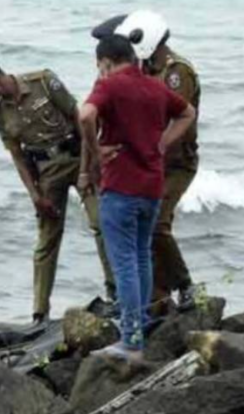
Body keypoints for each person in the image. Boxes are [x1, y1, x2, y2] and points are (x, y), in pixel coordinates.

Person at [0, 52, 115, 325]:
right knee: (46, 241)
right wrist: (35, 196)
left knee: (101, 224)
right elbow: (18, 156)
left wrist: (89, 168)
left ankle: (115, 292)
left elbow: (78, 119)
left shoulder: (43, 81)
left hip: (77, 158)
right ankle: (39, 314)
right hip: (46, 172)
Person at [79, 34, 195, 360]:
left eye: (100, 66)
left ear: (105, 62)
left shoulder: (110, 85)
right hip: (152, 186)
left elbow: (86, 115)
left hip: (121, 188)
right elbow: (187, 113)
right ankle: (140, 323)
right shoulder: (156, 86)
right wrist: (162, 144)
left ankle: (131, 341)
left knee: (125, 264)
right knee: (142, 256)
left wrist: (95, 150)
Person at [93, 10, 202, 312]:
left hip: (177, 162)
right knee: (142, 234)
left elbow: (175, 116)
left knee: (157, 226)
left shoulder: (177, 72)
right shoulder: (144, 70)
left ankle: (185, 285)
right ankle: (155, 298)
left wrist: (158, 144)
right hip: (148, 163)